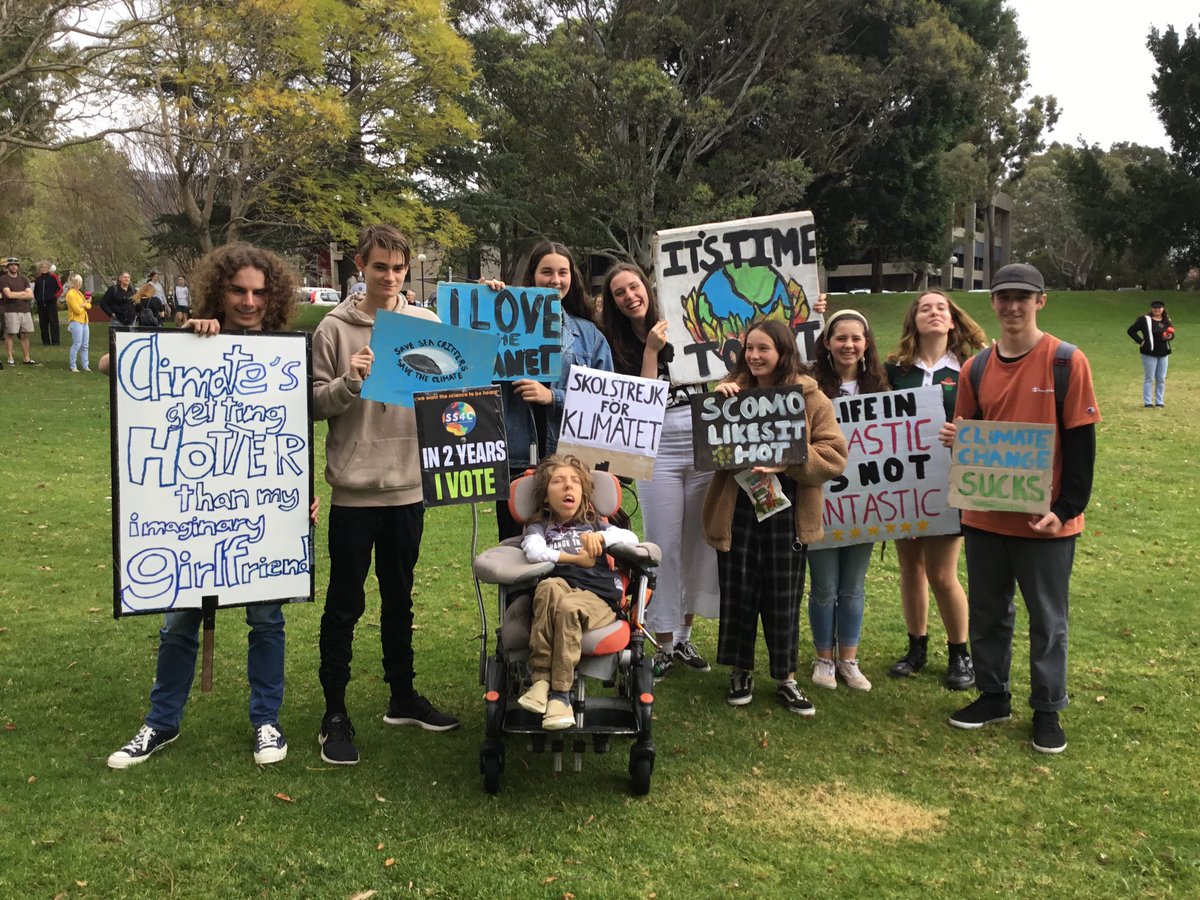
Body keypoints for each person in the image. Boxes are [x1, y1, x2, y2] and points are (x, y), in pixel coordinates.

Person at [107, 243, 304, 768]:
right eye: (238, 290)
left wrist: (297, 495)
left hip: (261, 513)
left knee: (267, 620)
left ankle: (267, 720)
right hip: (191, 521)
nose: (248, 301)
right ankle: (161, 723)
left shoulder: (284, 354)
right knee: (177, 624)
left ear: (274, 296)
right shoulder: (191, 340)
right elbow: (113, 363)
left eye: (259, 292)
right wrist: (181, 338)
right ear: (218, 290)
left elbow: (293, 435)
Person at [312, 223, 460, 767]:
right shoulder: (333, 328)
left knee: (401, 598)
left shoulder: (424, 322)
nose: (390, 277)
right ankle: (334, 712)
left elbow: (452, 392)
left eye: (398, 269)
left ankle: (403, 695)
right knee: (345, 605)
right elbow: (312, 403)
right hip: (354, 491)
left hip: (408, 486)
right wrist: (349, 382)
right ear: (361, 266)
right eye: (380, 267)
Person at [940, 263, 1100, 754]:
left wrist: (1067, 507)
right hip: (986, 516)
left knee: (1047, 618)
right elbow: (975, 438)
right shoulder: (977, 367)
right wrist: (957, 440)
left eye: (1022, 298)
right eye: (1004, 296)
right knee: (989, 610)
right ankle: (993, 696)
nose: (1013, 306)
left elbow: (1081, 447)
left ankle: (1048, 709)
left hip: (1046, 520)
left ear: (1040, 302)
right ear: (993, 302)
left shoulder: (1066, 361)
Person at [702, 319, 848, 714]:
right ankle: (740, 670)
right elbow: (710, 450)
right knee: (739, 591)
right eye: (749, 348)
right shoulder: (730, 392)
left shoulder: (812, 398)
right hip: (738, 509)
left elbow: (834, 457)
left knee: (783, 595)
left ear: (783, 351)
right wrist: (717, 406)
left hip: (787, 510)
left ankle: (786, 677)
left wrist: (787, 463)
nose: (754, 356)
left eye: (763, 349)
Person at [598, 263, 719, 680]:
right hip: (655, 445)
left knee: (697, 542)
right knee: (661, 543)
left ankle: (684, 635)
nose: (630, 295)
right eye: (619, 292)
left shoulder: (686, 320)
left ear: (647, 287)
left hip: (701, 436)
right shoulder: (615, 342)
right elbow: (640, 403)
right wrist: (650, 350)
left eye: (634, 286)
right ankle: (662, 640)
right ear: (612, 302)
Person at [884, 290, 987, 689]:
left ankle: (960, 654)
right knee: (911, 568)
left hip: (950, 479)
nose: (933, 312)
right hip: (904, 481)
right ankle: (916, 648)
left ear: (952, 319)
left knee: (943, 573)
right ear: (914, 319)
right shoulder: (895, 368)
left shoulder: (973, 366)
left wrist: (966, 432)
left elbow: (993, 416)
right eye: (924, 307)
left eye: (940, 307)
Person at [484, 241, 614, 540]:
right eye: (546, 272)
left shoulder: (589, 336)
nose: (555, 280)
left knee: (570, 546)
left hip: (570, 465)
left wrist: (552, 397)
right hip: (516, 460)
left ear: (572, 278)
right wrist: (486, 302)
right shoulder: (500, 325)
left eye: (563, 272)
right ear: (532, 276)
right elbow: (472, 368)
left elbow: (605, 400)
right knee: (516, 549)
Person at [516, 455, 640, 729]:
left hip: (598, 598)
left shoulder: (594, 523)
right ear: (546, 497)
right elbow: (534, 552)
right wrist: (573, 559)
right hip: (560, 588)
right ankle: (540, 682)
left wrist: (601, 538)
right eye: (558, 482)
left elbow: (631, 539)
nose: (567, 487)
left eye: (574, 482)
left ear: (583, 492)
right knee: (547, 587)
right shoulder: (540, 527)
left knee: (570, 606)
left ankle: (561, 696)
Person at [805, 310, 889, 692]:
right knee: (824, 586)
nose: (848, 345)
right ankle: (824, 658)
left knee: (853, 586)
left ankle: (849, 660)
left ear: (866, 344)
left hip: (866, 505)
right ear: (827, 343)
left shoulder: (882, 390)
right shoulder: (809, 388)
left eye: (856, 338)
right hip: (822, 501)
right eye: (840, 338)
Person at [1127, 299, 1173, 408]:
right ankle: (1148, 402)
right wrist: (1141, 341)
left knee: (1161, 378)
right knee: (1149, 377)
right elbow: (1131, 331)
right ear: (1152, 309)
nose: (1157, 310)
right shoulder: (1145, 320)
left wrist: (1169, 337)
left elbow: (1171, 334)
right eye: (1155, 308)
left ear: (1163, 309)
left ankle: (1159, 401)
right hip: (1149, 353)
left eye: (1159, 308)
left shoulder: (1166, 320)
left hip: (1163, 353)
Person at [1, 256, 36, 365]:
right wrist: (22, 293)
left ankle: (26, 358)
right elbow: (8, 295)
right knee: (10, 334)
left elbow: (30, 294)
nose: (14, 266)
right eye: (11, 265)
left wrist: (16, 294)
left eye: (16, 265)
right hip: (11, 310)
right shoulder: (3, 279)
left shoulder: (24, 279)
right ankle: (10, 358)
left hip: (25, 310)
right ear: (8, 267)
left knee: (25, 334)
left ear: (18, 266)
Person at [64, 274, 91, 372]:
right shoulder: (70, 294)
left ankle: (85, 365)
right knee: (77, 344)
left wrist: (84, 304)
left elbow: (89, 306)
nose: (79, 284)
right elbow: (77, 310)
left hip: (84, 321)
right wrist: (84, 304)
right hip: (76, 321)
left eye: (80, 282)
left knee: (85, 345)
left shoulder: (79, 293)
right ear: (73, 283)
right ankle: (72, 365)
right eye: (77, 282)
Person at [33, 260, 63, 346]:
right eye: (42, 267)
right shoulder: (38, 279)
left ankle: (55, 341)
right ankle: (45, 341)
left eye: (45, 267)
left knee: (53, 323)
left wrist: (54, 297)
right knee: (43, 323)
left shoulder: (53, 277)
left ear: (48, 268)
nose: (43, 269)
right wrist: (37, 298)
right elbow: (36, 291)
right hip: (41, 304)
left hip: (51, 304)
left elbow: (60, 289)